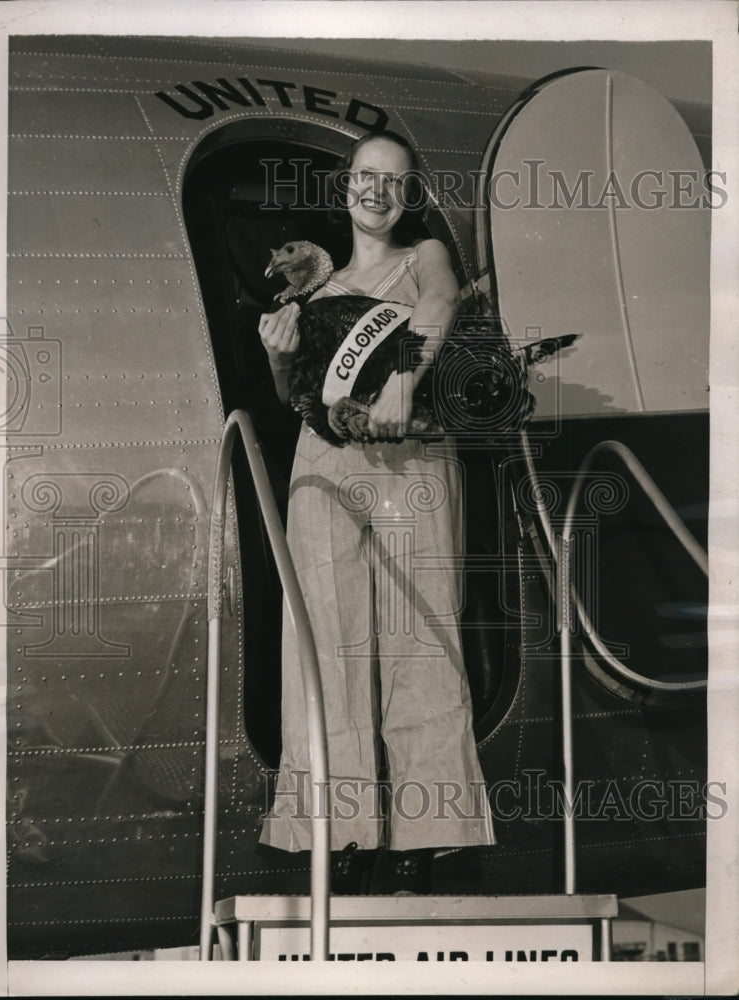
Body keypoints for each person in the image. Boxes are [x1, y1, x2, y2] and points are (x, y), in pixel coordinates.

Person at [257, 130, 495, 892]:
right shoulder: (310, 290)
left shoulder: (420, 255)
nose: (376, 191)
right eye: (365, 176)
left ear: (407, 193)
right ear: (345, 186)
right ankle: (344, 833)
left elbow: (442, 298)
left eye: (393, 180)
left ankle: (426, 836)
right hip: (323, 461)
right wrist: (275, 353)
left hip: (410, 457)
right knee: (327, 639)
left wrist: (405, 374)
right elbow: (290, 397)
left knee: (418, 631)